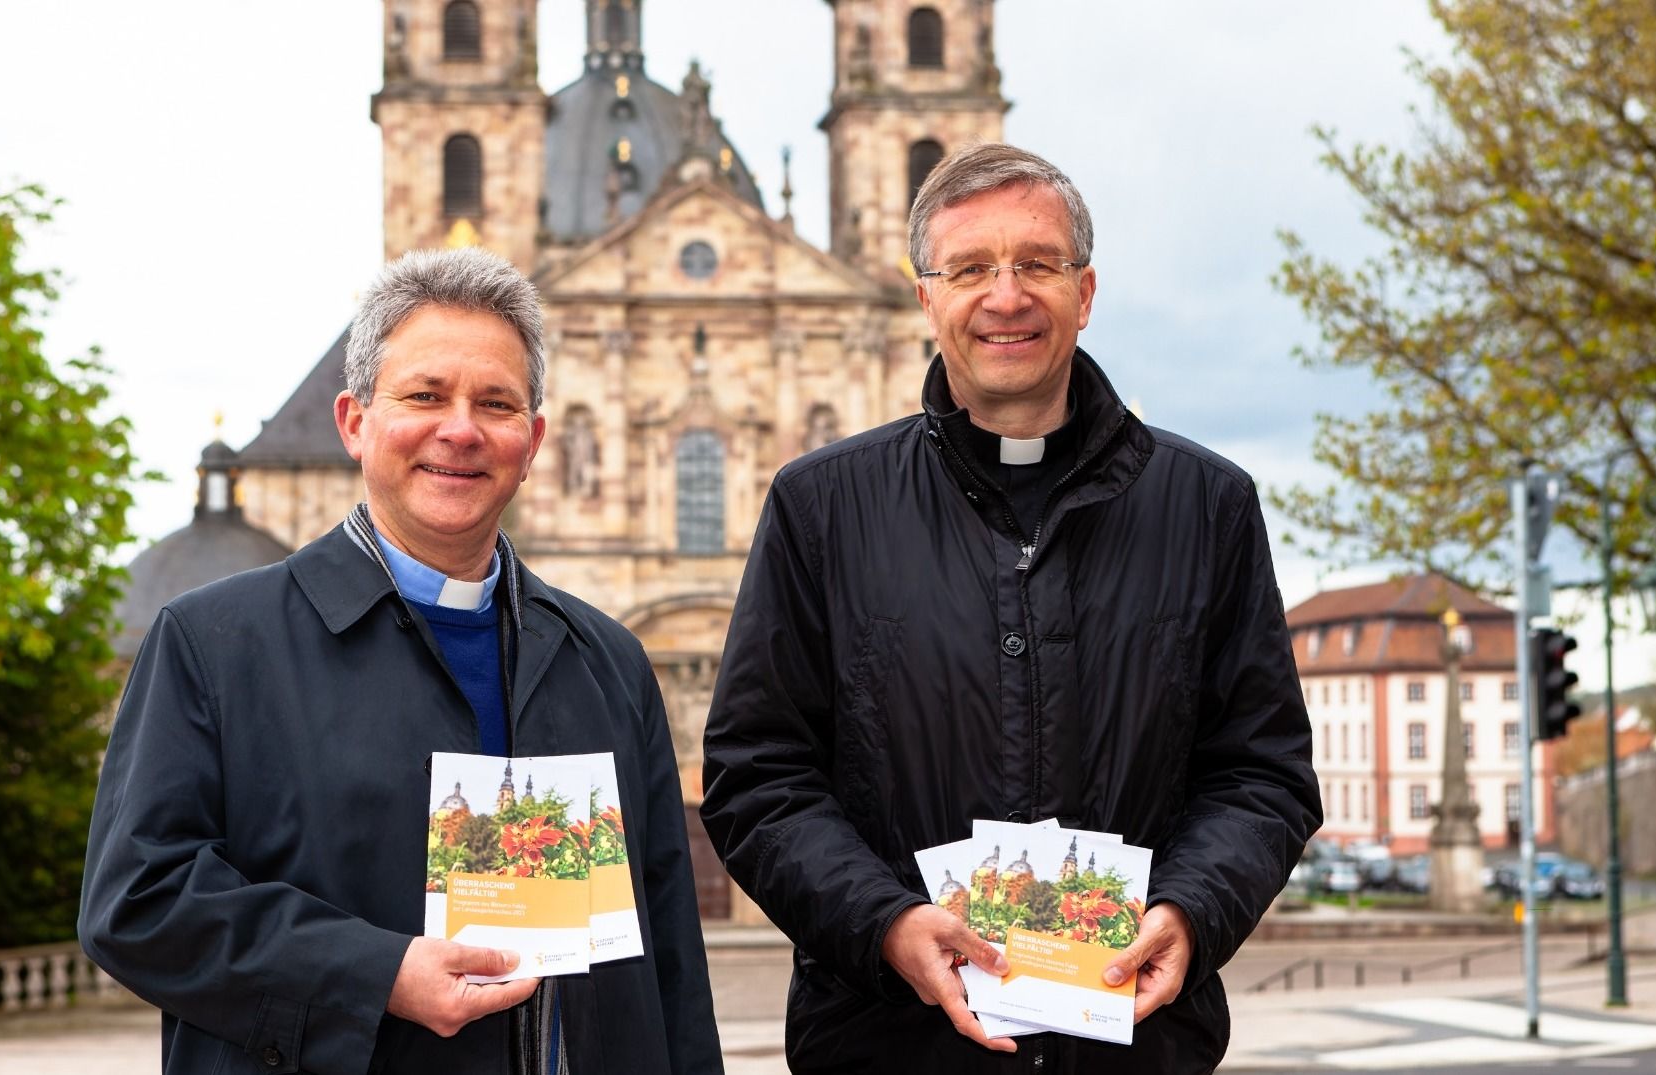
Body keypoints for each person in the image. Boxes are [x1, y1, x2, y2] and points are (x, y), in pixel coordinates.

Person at [699, 143, 1321, 1073]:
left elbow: (1262, 772)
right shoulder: (819, 504)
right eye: (969, 268)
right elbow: (756, 777)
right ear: (924, 298)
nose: (1005, 295)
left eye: (1036, 263)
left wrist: (1192, 910)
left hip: (1135, 1047)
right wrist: (884, 922)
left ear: (1085, 289)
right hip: (888, 1044)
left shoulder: (1206, 504)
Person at [81, 248, 721, 1075]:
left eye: (495, 403)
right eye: (425, 395)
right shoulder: (215, 642)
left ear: (531, 441)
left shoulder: (607, 658)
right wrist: (375, 971)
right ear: (354, 421)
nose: (460, 428)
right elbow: (136, 903)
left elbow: (668, 953)